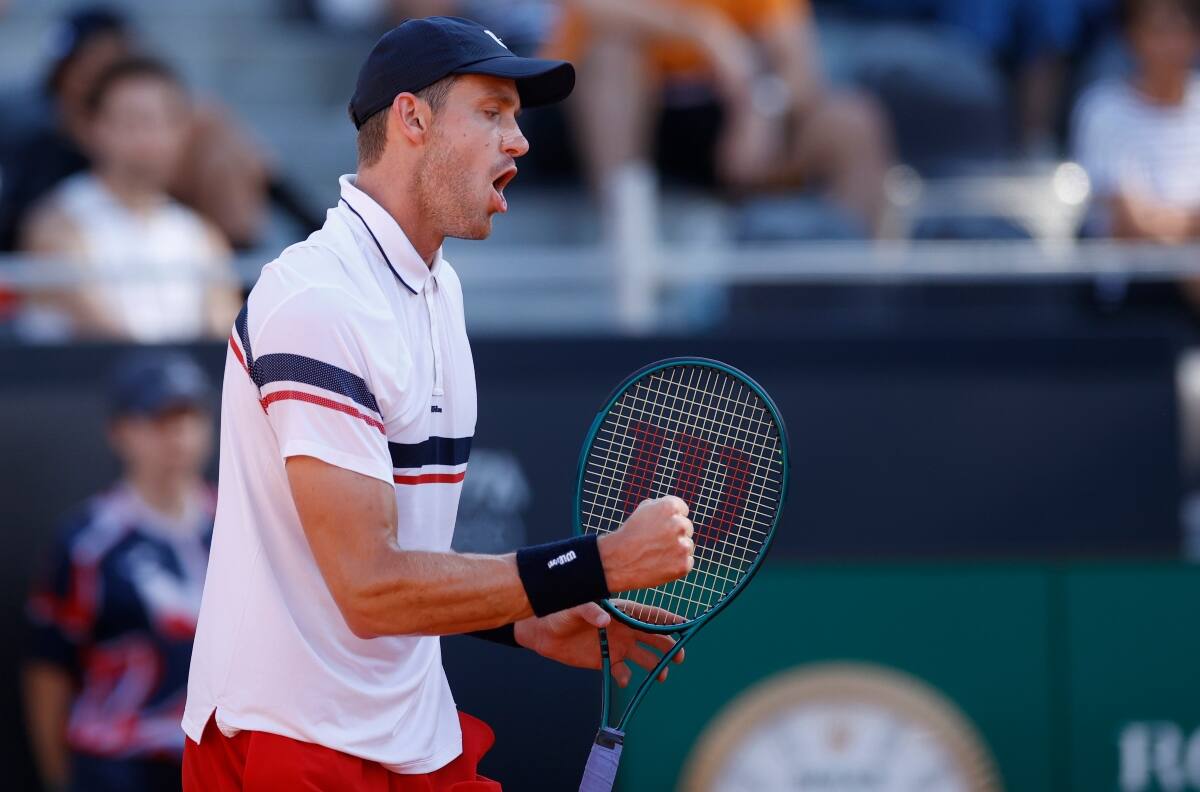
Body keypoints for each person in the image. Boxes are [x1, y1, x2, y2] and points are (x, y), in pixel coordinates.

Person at [182, 17, 695, 791]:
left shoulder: (436, 287)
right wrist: (595, 564)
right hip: (289, 743)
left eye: (516, 118)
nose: (518, 140)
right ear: (411, 119)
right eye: (492, 113)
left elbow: (389, 558)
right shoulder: (317, 299)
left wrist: (519, 620)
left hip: (408, 735)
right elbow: (369, 583)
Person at [24, 352, 217, 792]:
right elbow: (48, 669)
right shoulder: (88, 540)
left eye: (190, 417)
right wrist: (58, 779)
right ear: (120, 432)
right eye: (160, 420)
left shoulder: (240, 523)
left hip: (210, 760)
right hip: (117, 763)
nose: (179, 436)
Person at [548, 0, 892, 236]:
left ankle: (851, 280)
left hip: (727, 125)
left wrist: (765, 104)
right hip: (606, 126)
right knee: (611, 56)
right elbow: (587, 9)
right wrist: (704, 31)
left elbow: (800, 67)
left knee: (852, 121)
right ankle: (628, 236)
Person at [19, 56, 241, 342]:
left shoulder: (201, 234)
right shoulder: (57, 223)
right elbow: (102, 330)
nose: (149, 136)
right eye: (133, 120)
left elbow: (225, 334)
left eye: (162, 121)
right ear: (93, 128)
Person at [1071, 0, 1200, 242]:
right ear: (1132, 37)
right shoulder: (1102, 110)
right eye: (1158, 31)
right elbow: (1131, 223)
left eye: (1179, 29)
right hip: (1136, 276)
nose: (1170, 44)